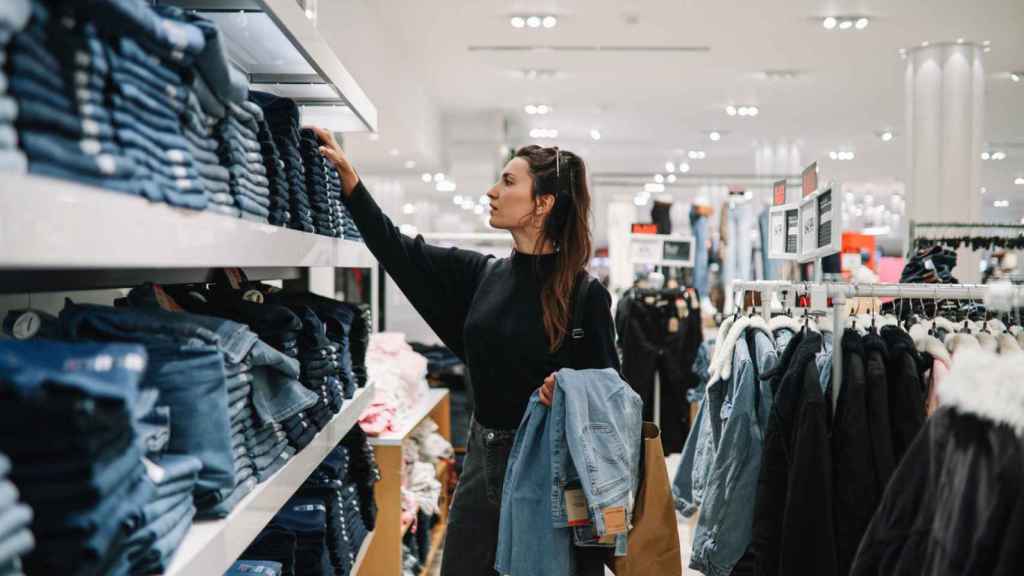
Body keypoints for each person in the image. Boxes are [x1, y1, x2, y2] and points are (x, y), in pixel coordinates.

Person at [312, 127, 620, 576]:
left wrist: (570, 388)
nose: (493, 192)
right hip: (481, 454)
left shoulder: (583, 294)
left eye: (509, 182)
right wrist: (353, 186)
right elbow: (400, 252)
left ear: (544, 203)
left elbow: (613, 394)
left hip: (547, 466)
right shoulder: (484, 275)